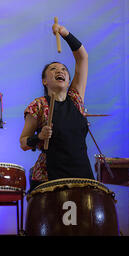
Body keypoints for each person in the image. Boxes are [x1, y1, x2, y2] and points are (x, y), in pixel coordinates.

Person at [19, 21, 93, 191]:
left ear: (68, 80)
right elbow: (23, 143)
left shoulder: (76, 98)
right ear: (44, 81)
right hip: (49, 177)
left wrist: (65, 33)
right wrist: (39, 137)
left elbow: (82, 57)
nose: (60, 71)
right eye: (53, 69)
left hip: (81, 173)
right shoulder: (37, 105)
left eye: (64, 70)